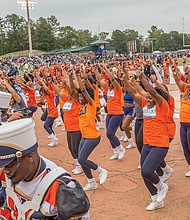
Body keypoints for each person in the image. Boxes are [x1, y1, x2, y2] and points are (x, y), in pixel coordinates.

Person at [0, 118, 90, 219]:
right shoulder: (8, 173)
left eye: (9, 165)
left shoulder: (63, 187)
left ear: (30, 157)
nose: (6, 171)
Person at [123, 70, 170, 211]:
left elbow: (154, 93)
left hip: (160, 144)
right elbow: (132, 92)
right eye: (147, 98)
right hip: (148, 144)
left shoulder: (162, 106)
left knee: (148, 170)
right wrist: (124, 79)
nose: (149, 100)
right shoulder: (145, 104)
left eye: (151, 98)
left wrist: (142, 78)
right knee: (144, 172)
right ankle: (156, 199)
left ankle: (162, 186)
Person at [75, 68, 108, 191]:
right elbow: (76, 91)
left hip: (92, 137)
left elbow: (83, 90)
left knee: (82, 159)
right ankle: (91, 182)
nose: (79, 98)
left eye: (81, 96)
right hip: (85, 136)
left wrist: (78, 76)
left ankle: (101, 170)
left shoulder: (91, 104)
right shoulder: (82, 105)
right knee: (81, 160)